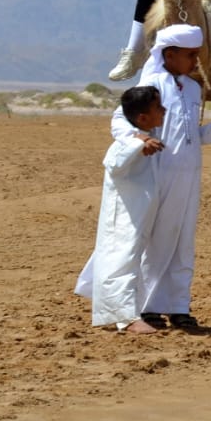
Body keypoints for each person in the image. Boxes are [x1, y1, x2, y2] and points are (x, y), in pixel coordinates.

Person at [136, 23, 211, 330]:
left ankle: (179, 306)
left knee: (183, 242)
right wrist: (140, 140)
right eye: (191, 55)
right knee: (156, 241)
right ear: (170, 54)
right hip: (159, 175)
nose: (196, 62)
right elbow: (129, 125)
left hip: (190, 178)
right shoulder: (151, 85)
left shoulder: (193, 89)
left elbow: (194, 136)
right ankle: (148, 307)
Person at [73, 85, 167, 333]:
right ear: (143, 118)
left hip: (137, 216)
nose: (164, 110)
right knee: (121, 260)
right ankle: (125, 319)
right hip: (124, 217)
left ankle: (127, 312)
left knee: (130, 259)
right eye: (158, 107)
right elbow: (113, 163)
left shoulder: (148, 136)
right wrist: (137, 144)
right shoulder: (127, 142)